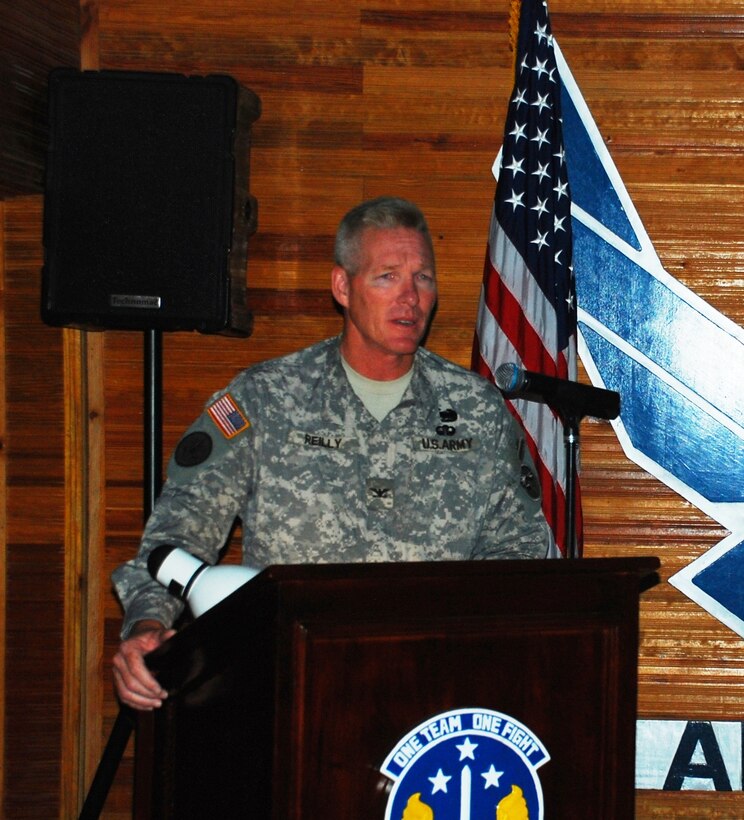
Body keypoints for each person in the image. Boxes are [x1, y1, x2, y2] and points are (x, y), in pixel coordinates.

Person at [111, 195, 550, 710]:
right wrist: (146, 626)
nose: (410, 298)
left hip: (431, 690)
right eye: (387, 276)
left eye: (423, 278)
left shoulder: (477, 410)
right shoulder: (266, 398)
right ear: (343, 286)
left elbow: (519, 552)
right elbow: (173, 537)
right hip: (287, 687)